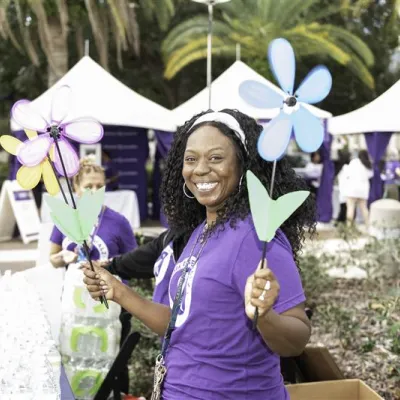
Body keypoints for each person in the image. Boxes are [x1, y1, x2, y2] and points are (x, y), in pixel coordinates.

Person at [83, 109, 315, 399]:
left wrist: (265, 317)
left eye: (216, 158)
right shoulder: (199, 232)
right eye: (191, 159)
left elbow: (297, 339)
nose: (201, 169)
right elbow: (179, 324)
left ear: (242, 166)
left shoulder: (256, 237)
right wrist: (117, 291)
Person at [49, 157, 137, 394]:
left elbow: (135, 264)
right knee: (75, 362)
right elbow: (52, 258)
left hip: (112, 308)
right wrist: (65, 257)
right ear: (76, 189)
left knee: (112, 365)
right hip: (75, 310)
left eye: (100, 186)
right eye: (89, 187)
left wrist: (110, 269)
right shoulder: (65, 219)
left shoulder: (118, 222)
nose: (95, 191)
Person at [341, 149, 373, 228]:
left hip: (352, 189)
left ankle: (349, 228)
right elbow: (370, 175)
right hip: (363, 190)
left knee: (350, 208)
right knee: (364, 208)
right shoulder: (368, 164)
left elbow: (347, 174)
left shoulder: (354, 162)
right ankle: (368, 226)